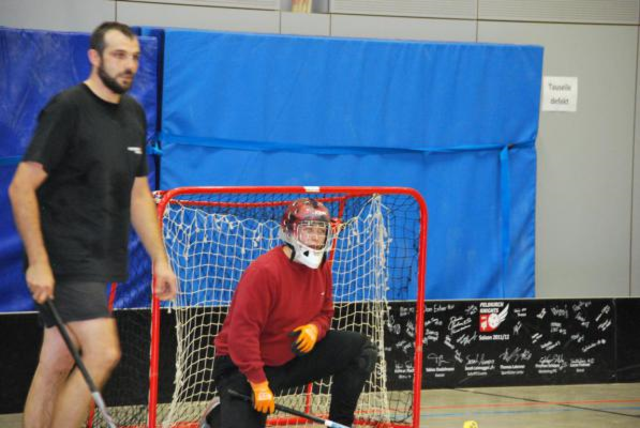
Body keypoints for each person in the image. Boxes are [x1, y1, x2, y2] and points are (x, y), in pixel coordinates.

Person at [8, 22, 177, 428]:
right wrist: (38, 262)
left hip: (99, 262)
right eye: (119, 55)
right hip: (63, 259)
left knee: (55, 361)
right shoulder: (68, 109)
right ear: (94, 57)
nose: (129, 64)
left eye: (134, 57)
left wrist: (160, 259)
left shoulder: (133, 114)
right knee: (103, 353)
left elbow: (139, 194)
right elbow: (21, 187)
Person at [202, 198, 377, 428]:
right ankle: (217, 414)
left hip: (289, 355)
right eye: (308, 230)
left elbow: (326, 313)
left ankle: (341, 424)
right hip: (242, 366)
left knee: (361, 349)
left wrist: (314, 329)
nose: (315, 237)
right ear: (290, 231)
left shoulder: (322, 267)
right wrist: (258, 384)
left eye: (321, 231)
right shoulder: (265, 271)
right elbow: (241, 335)